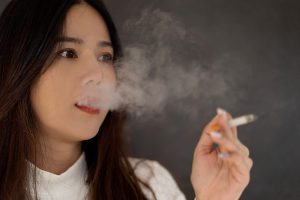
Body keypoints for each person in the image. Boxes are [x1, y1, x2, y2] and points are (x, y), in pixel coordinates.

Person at [0, 0, 253, 199]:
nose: (98, 76)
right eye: (68, 53)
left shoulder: (149, 185)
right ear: (18, 66)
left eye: (105, 57)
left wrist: (213, 197)